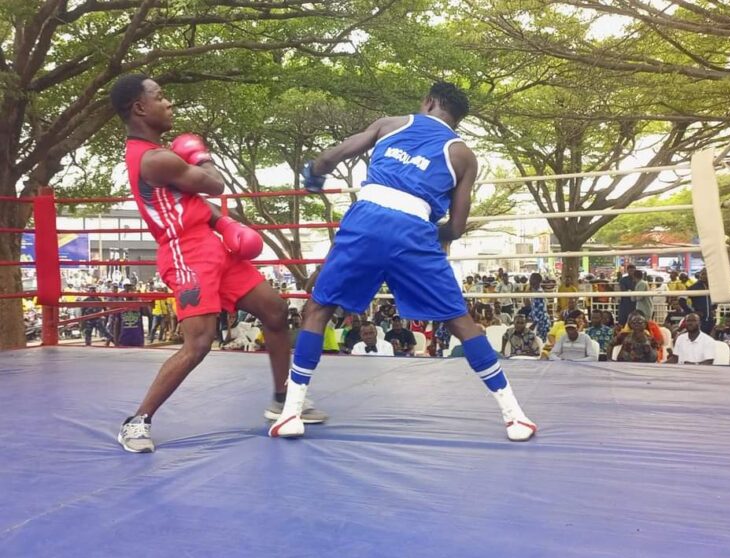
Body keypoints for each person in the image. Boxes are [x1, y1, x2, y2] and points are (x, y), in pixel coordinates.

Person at [268, 81, 536, 442]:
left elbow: (331, 157)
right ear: (456, 118)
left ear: (428, 102)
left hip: (366, 219)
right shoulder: (463, 156)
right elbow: (456, 228)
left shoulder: (391, 123)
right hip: (415, 234)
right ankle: (515, 416)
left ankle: (290, 415)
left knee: (317, 309)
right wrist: (422, 232)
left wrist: (314, 174)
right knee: (460, 321)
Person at [109, 74, 326, 453]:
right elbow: (214, 185)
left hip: (211, 247)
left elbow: (193, 202)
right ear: (140, 108)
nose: (169, 103)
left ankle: (281, 399)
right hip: (185, 254)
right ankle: (137, 421)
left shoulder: (161, 156)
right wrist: (200, 154)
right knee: (199, 343)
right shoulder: (155, 159)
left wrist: (222, 222)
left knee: (274, 311)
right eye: (160, 97)